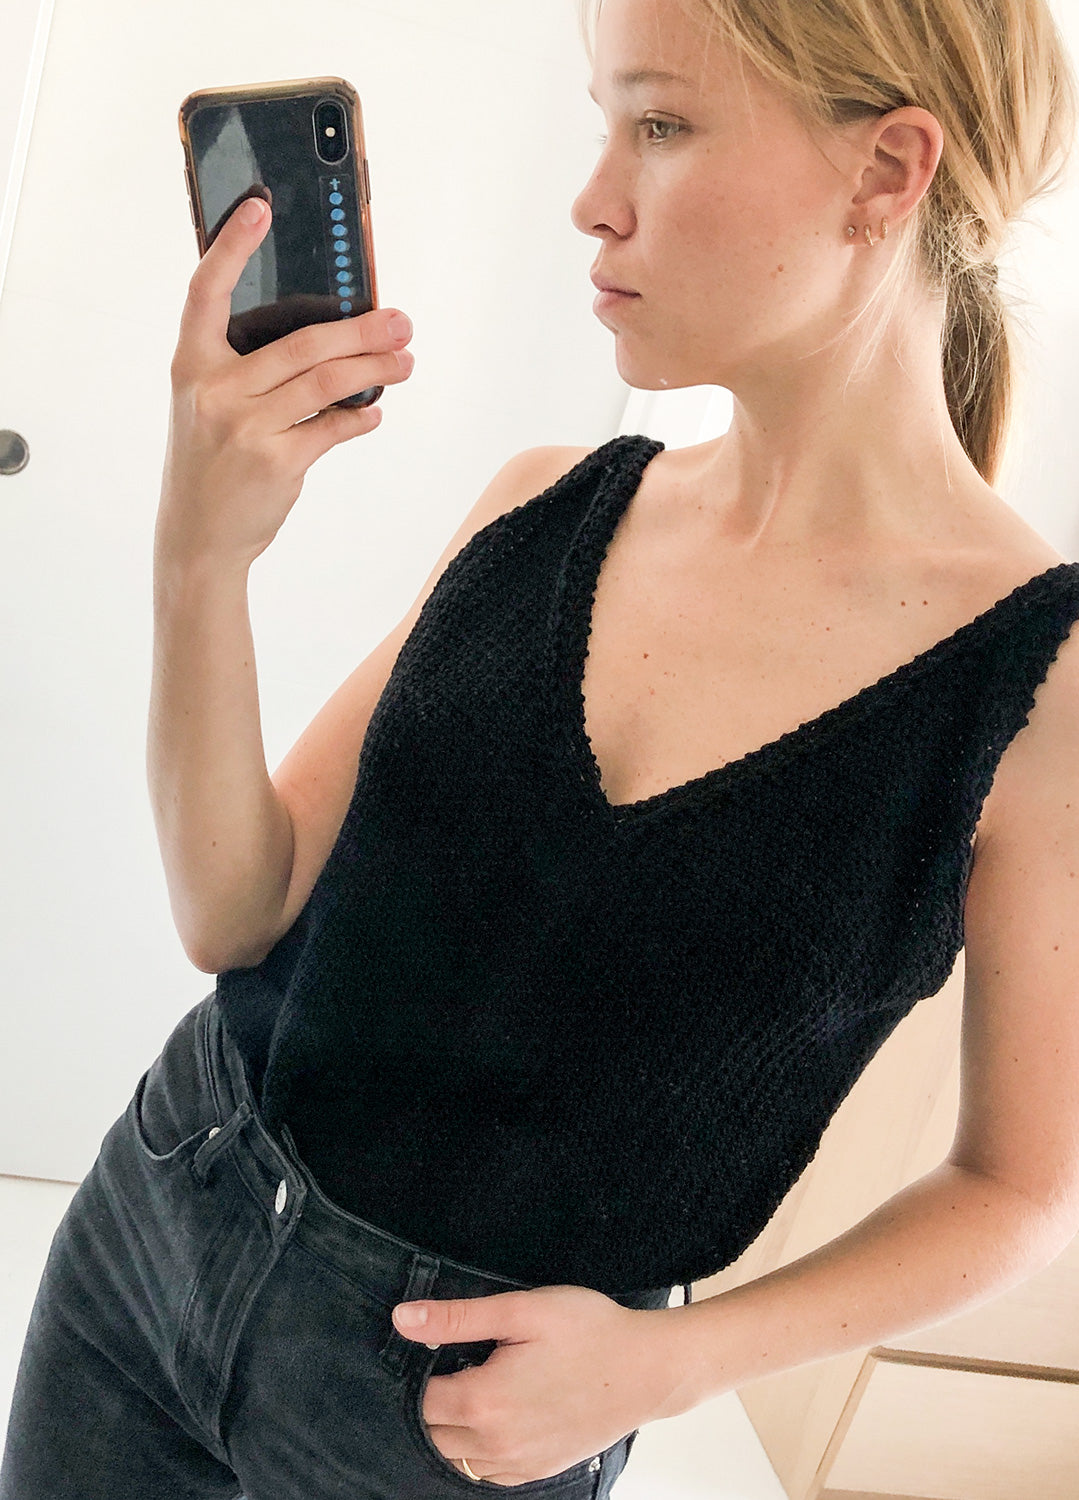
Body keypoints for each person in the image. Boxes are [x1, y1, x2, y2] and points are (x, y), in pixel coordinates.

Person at [4, 0, 1079, 1495]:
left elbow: (1019, 1188)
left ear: (888, 170)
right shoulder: (541, 506)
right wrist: (201, 557)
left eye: (663, 124)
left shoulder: (1038, 687)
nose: (594, 198)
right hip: (158, 1219)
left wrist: (673, 1361)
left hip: (466, 1414)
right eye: (605, 121)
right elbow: (233, 911)